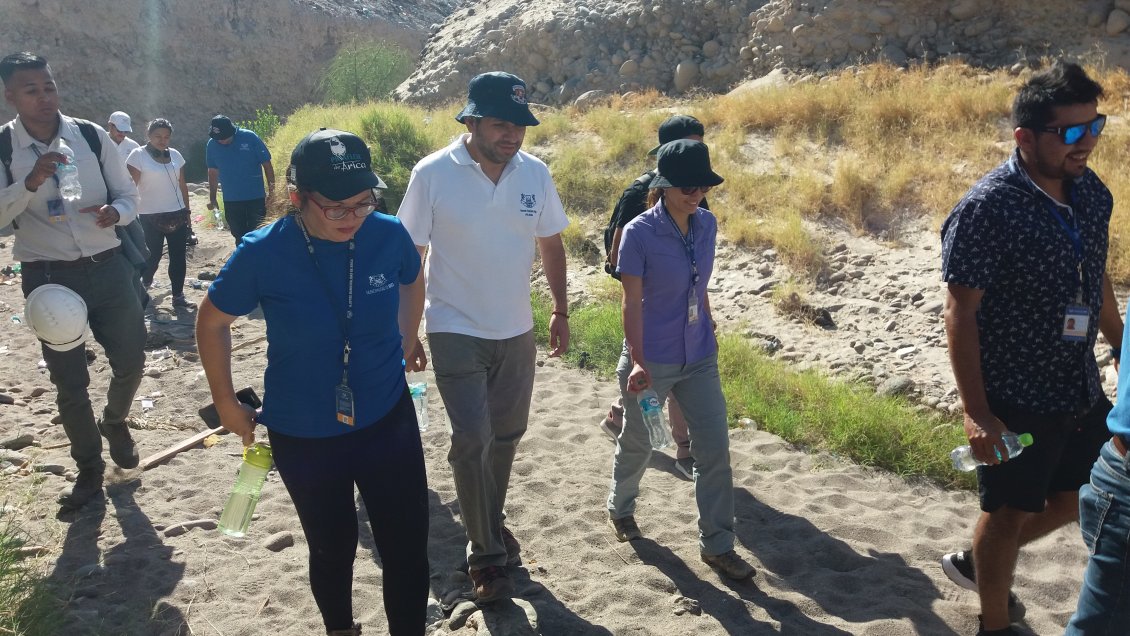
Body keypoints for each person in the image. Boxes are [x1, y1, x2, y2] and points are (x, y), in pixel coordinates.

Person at [196, 128, 428, 636]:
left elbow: (412, 277)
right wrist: (225, 401)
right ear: (298, 198)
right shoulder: (263, 251)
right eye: (337, 208)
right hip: (304, 431)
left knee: (406, 545)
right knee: (333, 546)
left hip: (387, 416)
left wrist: (407, 340)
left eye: (363, 203)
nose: (352, 218)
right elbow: (211, 320)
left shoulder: (387, 234)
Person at [939, 60, 1123, 636]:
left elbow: (1095, 279)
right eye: (1071, 132)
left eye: (1096, 126)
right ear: (1025, 136)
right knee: (1008, 512)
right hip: (1014, 395)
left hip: (1078, 385)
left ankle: (978, 563)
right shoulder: (986, 209)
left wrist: (1122, 348)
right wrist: (976, 411)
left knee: (1082, 495)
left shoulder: (1092, 192)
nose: (1086, 141)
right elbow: (959, 312)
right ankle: (994, 622)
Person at [397, 71, 570, 604]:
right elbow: (412, 258)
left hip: (516, 329)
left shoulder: (535, 174)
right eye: (501, 124)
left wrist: (561, 310)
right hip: (454, 327)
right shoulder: (431, 174)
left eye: (520, 125)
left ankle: (488, 521)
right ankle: (486, 555)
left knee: (508, 435)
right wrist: (408, 333)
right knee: (472, 438)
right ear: (471, 120)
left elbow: (551, 242)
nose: (513, 135)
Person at [0, 52, 145, 509]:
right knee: (70, 383)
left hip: (108, 265)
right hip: (48, 279)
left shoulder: (90, 135)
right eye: (31, 89)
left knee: (132, 358)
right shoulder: (4, 148)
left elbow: (128, 194)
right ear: (10, 96)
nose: (44, 97)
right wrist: (27, 182)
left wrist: (114, 213)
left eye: (48, 86)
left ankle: (116, 419)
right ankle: (89, 470)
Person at [606, 139, 755, 581]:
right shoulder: (638, 232)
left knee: (714, 451)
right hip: (652, 358)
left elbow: (699, 284)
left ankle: (718, 545)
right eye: (687, 185)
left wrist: (708, 325)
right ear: (664, 186)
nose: (697, 193)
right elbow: (631, 303)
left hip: (699, 354)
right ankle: (621, 506)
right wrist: (636, 360)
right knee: (641, 441)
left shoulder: (707, 224)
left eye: (704, 185)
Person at [600, 114, 708, 479]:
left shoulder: (695, 193)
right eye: (690, 145)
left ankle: (620, 413)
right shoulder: (640, 194)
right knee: (649, 365)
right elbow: (619, 253)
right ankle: (682, 449)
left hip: (680, 298)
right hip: (647, 296)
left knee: (657, 370)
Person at [126, 118, 195, 310]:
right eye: (157, 136)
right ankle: (143, 288)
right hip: (149, 215)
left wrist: (188, 213)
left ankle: (178, 296)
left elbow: (182, 185)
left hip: (177, 213)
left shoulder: (176, 155)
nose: (162, 140)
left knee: (178, 257)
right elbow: (130, 187)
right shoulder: (137, 155)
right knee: (152, 257)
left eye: (166, 137)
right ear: (148, 136)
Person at [205, 114, 273, 245]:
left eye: (224, 138)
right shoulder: (212, 145)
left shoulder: (249, 137)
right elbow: (212, 172)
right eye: (218, 138)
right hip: (231, 199)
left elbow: (267, 164)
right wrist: (212, 197)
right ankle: (244, 263)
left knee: (258, 233)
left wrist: (272, 191)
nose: (221, 141)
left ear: (232, 131)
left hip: (255, 197)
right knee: (238, 235)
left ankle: (259, 262)